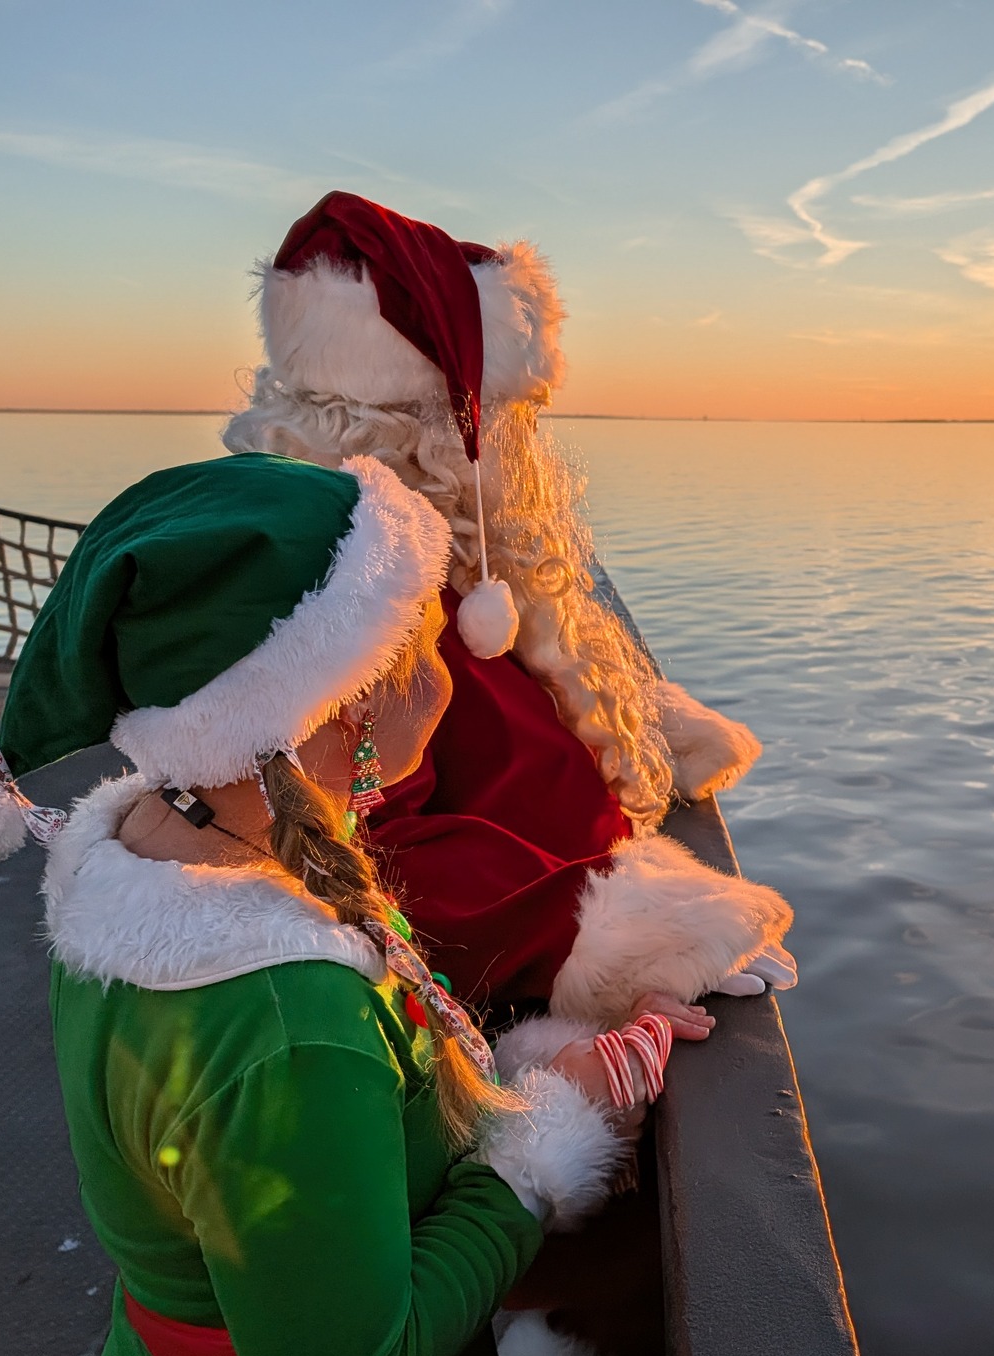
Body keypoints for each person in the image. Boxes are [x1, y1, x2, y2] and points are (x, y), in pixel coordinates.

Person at [0, 453, 693, 1356]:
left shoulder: (147, 858)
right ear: (349, 704)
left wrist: (511, 1084)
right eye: (423, 649)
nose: (459, 666)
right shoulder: (286, 1021)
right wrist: (552, 1140)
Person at [220, 191, 795, 1023]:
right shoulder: (346, 583)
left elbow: (495, 722)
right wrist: (607, 942)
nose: (526, 442)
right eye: (511, 415)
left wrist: (626, 724)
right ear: (447, 418)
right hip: (501, 1009)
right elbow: (369, 845)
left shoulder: (441, 542)